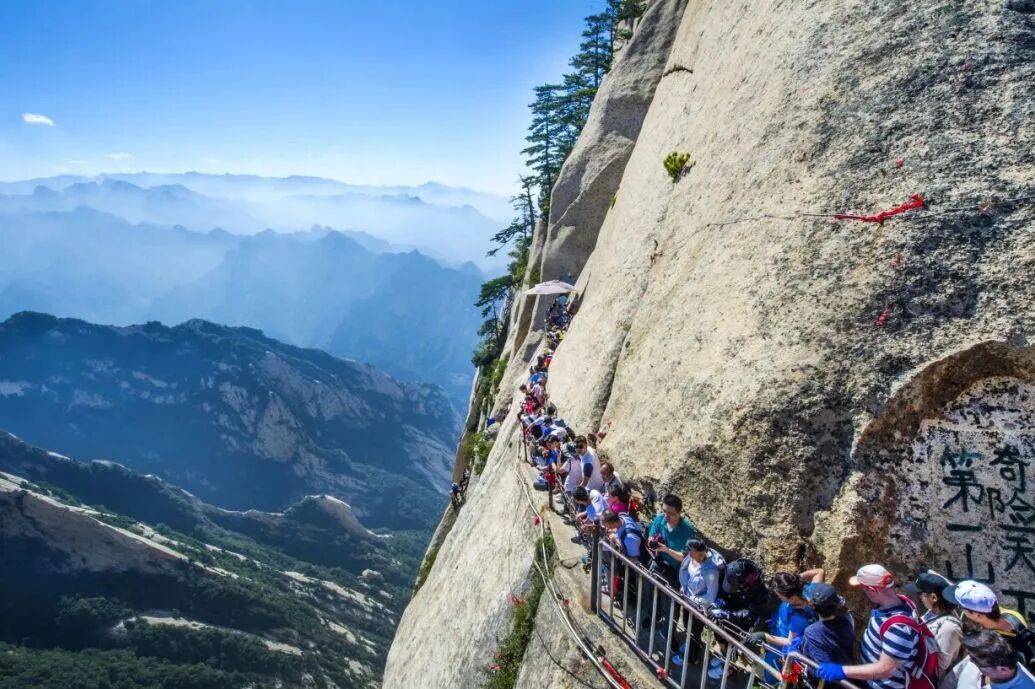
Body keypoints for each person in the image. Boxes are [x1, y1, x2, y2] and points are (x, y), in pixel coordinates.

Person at [816, 564, 932, 689]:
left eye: (864, 589)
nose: (864, 592)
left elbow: (886, 669)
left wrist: (843, 671)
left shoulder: (898, 627)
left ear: (872, 589)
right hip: (871, 680)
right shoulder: (903, 600)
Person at [707, 558, 778, 679]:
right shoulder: (733, 569)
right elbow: (726, 593)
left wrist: (727, 614)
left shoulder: (759, 592)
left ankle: (729, 667)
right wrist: (719, 602)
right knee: (720, 638)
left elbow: (750, 613)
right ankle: (724, 659)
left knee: (732, 645)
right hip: (726, 616)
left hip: (740, 624)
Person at [943, 581, 1033, 665]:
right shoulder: (1013, 615)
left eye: (961, 607)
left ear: (979, 616)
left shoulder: (991, 644)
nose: (960, 609)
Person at [676, 539, 726, 665]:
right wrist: (684, 587)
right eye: (694, 553)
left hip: (699, 608)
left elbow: (710, 596)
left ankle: (692, 657)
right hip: (688, 602)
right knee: (688, 627)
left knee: (694, 632)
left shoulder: (711, 571)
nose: (697, 556)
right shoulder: (690, 557)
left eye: (700, 554)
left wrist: (692, 599)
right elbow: (686, 573)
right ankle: (689, 647)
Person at [906, 571, 963, 680]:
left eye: (920, 594)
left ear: (933, 598)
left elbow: (941, 664)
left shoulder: (949, 627)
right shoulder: (932, 612)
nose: (919, 598)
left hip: (930, 679)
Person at [940, 632, 1035, 689]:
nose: (970, 661)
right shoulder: (979, 656)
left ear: (1003, 670)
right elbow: (952, 679)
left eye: (974, 660)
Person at [800, 583, 856, 666]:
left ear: (813, 607)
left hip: (830, 674)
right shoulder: (847, 619)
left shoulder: (811, 632)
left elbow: (820, 664)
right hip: (848, 665)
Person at [646, 494, 695, 588]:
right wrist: (652, 542)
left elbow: (684, 557)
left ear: (679, 513)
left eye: (671, 513)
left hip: (674, 572)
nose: (666, 516)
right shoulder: (659, 519)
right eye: (664, 511)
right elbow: (650, 538)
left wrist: (666, 550)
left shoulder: (687, 530)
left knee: (667, 600)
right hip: (657, 563)